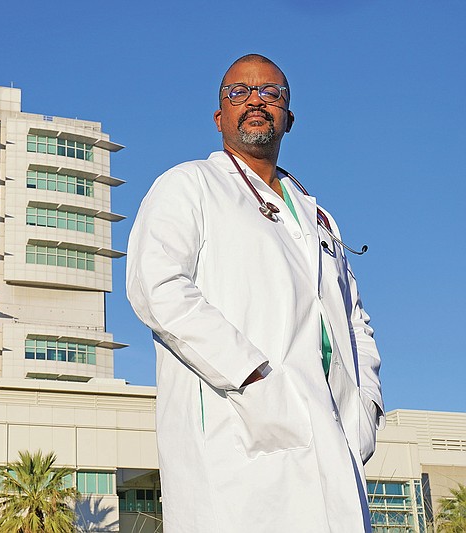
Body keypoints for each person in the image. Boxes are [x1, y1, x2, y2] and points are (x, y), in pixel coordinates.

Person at [126, 54, 384, 532]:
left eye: (271, 93)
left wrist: (365, 405)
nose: (255, 101)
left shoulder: (318, 217)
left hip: (335, 436)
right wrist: (254, 379)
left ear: (289, 116)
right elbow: (156, 288)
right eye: (238, 92)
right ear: (219, 116)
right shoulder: (188, 186)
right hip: (238, 429)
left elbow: (354, 321)